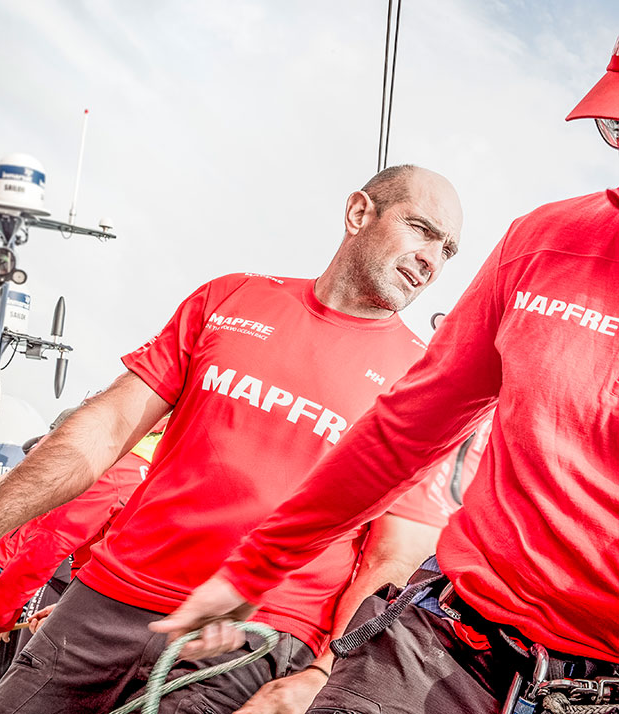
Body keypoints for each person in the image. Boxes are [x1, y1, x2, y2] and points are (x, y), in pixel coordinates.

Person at [146, 37, 619, 714]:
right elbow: (408, 426)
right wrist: (257, 566)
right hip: (448, 645)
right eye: (618, 127)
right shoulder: (543, 242)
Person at [0, 165, 464, 714]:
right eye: (422, 230)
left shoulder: (421, 379)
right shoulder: (229, 298)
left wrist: (322, 675)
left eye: (447, 250)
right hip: (107, 601)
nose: (431, 260)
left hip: (254, 635)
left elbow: (394, 553)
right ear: (359, 211)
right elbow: (107, 427)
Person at [0, 418, 165, 714]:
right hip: (164, 623)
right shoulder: (162, 465)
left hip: (120, 617)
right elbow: (101, 547)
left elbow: (57, 539)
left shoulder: (117, 464)